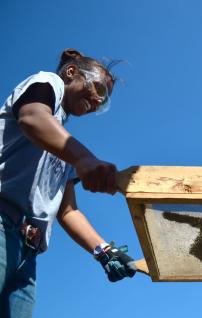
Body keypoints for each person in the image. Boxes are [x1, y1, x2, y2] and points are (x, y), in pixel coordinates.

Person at [0, 48, 136, 318]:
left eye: (104, 100)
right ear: (72, 72)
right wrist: (85, 158)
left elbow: (68, 211)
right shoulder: (46, 83)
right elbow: (32, 116)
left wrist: (104, 251)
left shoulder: (64, 149)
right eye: (98, 88)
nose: (97, 101)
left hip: (27, 255)